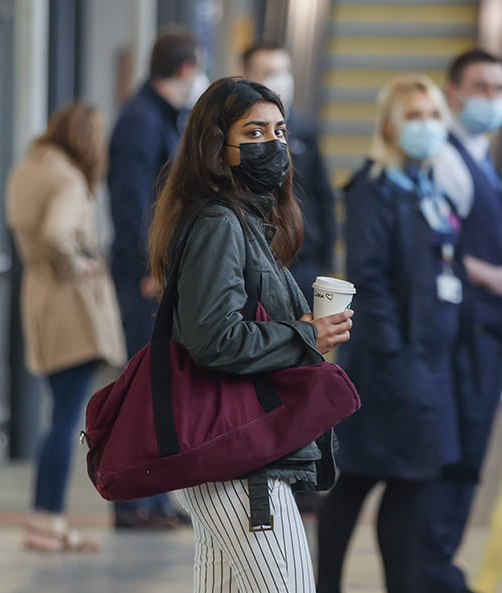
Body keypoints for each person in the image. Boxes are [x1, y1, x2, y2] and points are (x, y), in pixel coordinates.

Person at [145, 76, 353, 593]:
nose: (275, 145)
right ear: (218, 146)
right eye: (255, 132)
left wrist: (305, 334)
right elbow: (213, 337)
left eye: (280, 131)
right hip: (244, 462)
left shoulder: (243, 222)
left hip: (235, 458)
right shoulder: (219, 223)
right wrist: (302, 335)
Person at [315, 75, 475, 593]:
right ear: (388, 126)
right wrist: (398, 360)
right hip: (390, 368)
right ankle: (326, 586)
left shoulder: (430, 189)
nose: (427, 126)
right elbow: (373, 283)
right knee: (357, 482)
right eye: (414, 116)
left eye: (433, 115)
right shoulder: (373, 192)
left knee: (412, 489)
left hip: (430, 365)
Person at [424, 48, 502, 593]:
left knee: (470, 455)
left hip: (487, 335)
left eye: (500, 88)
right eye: (481, 87)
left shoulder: (482, 155)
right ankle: (434, 569)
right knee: (458, 455)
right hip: (466, 335)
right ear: (454, 93)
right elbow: (429, 246)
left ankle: (440, 565)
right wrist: (491, 276)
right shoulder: (446, 159)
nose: (493, 99)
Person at [6, 102, 127, 552]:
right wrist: (77, 263)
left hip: (39, 295)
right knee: (65, 419)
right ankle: (48, 521)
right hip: (70, 304)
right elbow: (58, 231)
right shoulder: (69, 179)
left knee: (58, 413)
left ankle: (45, 519)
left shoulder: (29, 168)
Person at [107, 26, 207, 529]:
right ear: (187, 69)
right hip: (143, 277)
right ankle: (132, 502)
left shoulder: (159, 117)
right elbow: (131, 203)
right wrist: (151, 268)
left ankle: (154, 495)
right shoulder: (141, 122)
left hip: (156, 271)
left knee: (158, 389)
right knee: (140, 390)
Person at [241, 42, 336, 301]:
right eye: (270, 72)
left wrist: (326, 258)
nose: (281, 80)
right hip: (255, 264)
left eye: (285, 71)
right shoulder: (233, 137)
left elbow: (323, 194)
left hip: (303, 262)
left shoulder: (305, 131)